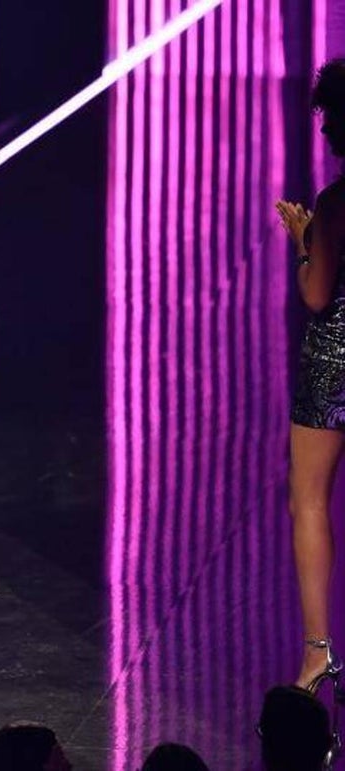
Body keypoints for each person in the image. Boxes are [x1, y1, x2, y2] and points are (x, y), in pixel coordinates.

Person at [276, 58, 345, 693]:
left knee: (310, 501)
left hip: (335, 365)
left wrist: (304, 239)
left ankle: (318, 651)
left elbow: (318, 294)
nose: (322, 135)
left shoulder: (336, 202)